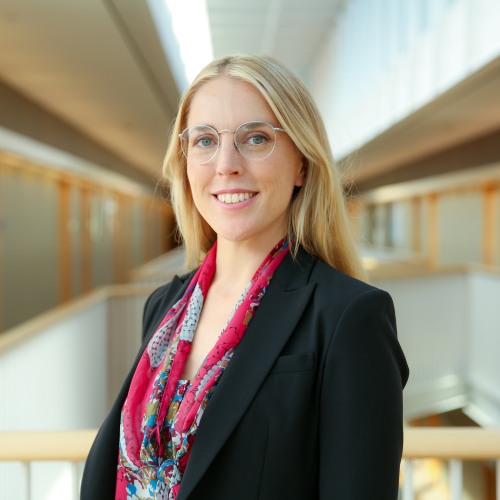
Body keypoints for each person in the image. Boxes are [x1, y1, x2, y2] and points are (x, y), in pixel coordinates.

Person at [81, 54, 409, 500]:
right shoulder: (164, 306)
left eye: (255, 138)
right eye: (204, 141)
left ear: (301, 164)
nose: (226, 164)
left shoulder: (348, 317)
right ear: (185, 162)